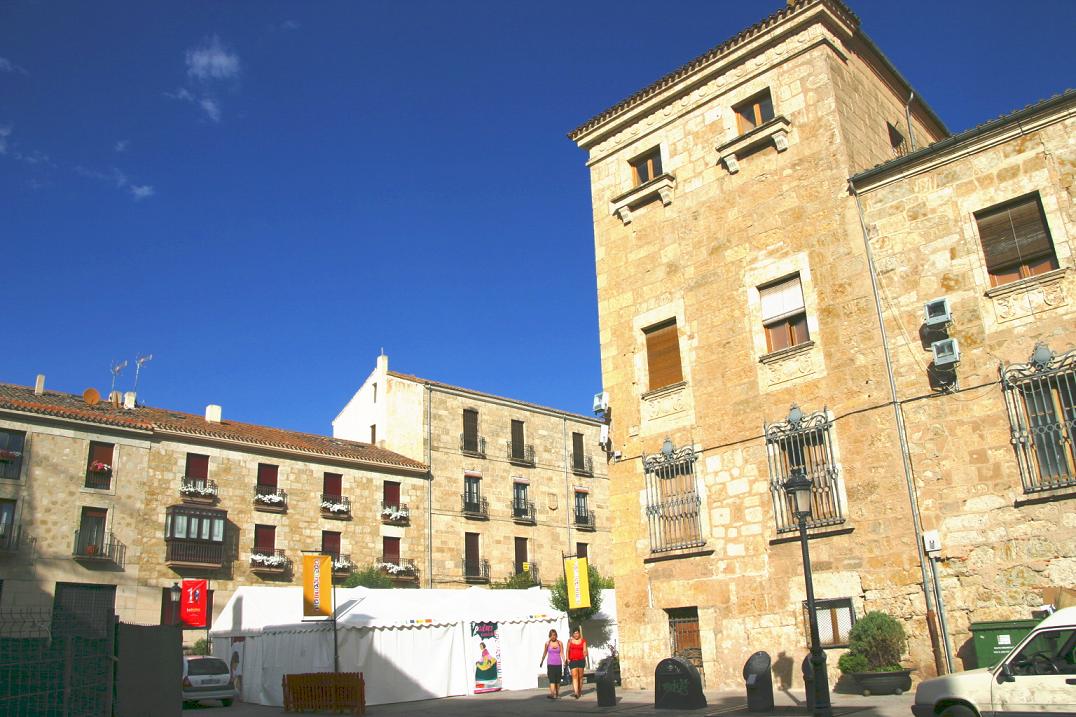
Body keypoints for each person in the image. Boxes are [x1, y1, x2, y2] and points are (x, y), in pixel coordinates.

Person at [539, 629, 564, 699]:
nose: (553, 637)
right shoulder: (547, 643)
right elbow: (545, 652)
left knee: (558, 680)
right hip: (550, 664)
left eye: (554, 635)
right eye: (552, 635)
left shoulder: (560, 643)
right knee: (552, 679)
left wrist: (564, 661)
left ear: (556, 635)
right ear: (549, 636)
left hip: (558, 663)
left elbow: (562, 653)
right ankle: (552, 694)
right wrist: (542, 661)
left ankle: (557, 694)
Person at [566, 627, 588, 699]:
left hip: (581, 660)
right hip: (573, 660)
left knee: (580, 677)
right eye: (574, 633)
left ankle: (579, 691)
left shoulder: (583, 641)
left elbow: (585, 650)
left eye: (577, 633)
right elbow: (567, 650)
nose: (576, 634)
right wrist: (567, 659)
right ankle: (576, 692)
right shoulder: (570, 641)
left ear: (579, 633)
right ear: (573, 634)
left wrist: (585, 654)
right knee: (574, 676)